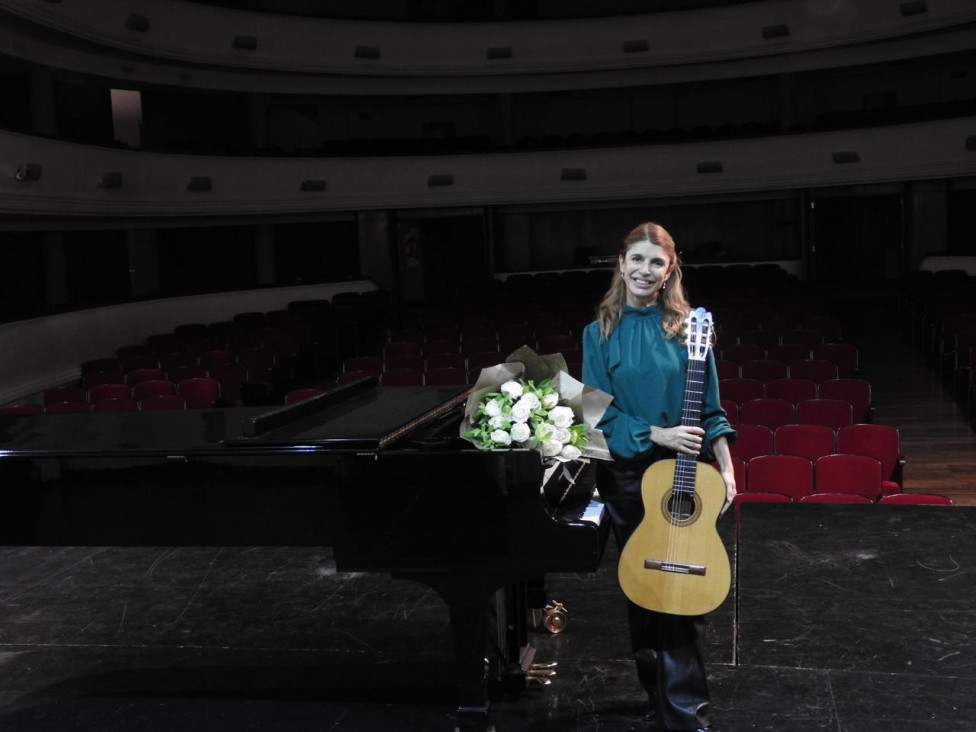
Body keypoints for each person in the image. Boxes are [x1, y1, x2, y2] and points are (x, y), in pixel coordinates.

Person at [581, 222, 736, 732]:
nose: (646, 270)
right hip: (628, 474)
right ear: (621, 263)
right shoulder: (598, 332)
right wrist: (658, 434)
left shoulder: (689, 328)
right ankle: (658, 690)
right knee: (643, 589)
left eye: (657, 262)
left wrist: (728, 468)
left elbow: (711, 410)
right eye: (638, 259)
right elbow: (597, 416)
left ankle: (685, 710)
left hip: (685, 475)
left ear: (671, 270)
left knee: (680, 596)